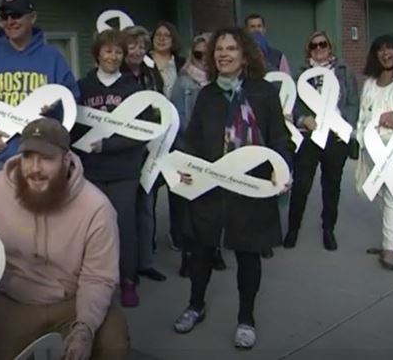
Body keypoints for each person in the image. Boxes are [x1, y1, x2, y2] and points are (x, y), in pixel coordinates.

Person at [0, 118, 128, 359]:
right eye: (28, 157)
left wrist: (84, 328)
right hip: (14, 301)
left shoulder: (97, 208)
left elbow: (98, 277)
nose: (34, 168)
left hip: (72, 302)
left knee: (112, 341)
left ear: (66, 160)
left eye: (46, 159)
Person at [171, 28, 291, 349]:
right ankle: (196, 305)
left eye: (231, 48)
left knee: (248, 256)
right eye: (219, 49)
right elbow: (193, 139)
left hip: (250, 186)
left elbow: (279, 137)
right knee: (201, 251)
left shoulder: (263, 92)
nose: (223, 54)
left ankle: (246, 319)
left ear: (244, 54)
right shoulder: (208, 94)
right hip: (210, 187)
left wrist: (282, 169)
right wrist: (186, 171)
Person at [0, 0, 80, 190]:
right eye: (4, 16)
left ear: (32, 17)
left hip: (39, 159)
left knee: (40, 218)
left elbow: (72, 102)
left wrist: (53, 113)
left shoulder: (53, 58)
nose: (10, 21)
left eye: (16, 15)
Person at [72, 30, 148, 308]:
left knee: (124, 226)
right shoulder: (82, 87)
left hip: (123, 172)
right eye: (108, 51)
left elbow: (143, 132)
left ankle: (128, 281)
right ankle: (93, 280)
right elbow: (72, 127)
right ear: (97, 54)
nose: (113, 56)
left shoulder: (133, 89)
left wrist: (109, 145)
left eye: (118, 52)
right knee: (91, 228)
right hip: (90, 170)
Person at [284, 31, 359, 251]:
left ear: (330, 47)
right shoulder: (301, 74)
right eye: (314, 46)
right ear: (309, 50)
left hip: (335, 138)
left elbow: (353, 102)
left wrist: (346, 127)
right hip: (310, 137)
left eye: (322, 44)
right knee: (301, 185)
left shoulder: (344, 73)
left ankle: (328, 229)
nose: (318, 49)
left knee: (331, 185)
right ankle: (293, 229)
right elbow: (294, 104)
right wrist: (302, 118)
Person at [171, 33, 226, 276]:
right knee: (190, 208)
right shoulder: (183, 82)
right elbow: (177, 118)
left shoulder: (221, 84)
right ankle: (188, 256)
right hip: (190, 149)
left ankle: (215, 251)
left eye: (208, 54)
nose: (203, 59)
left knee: (215, 206)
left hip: (217, 154)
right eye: (198, 54)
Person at [120, 25, 166, 281]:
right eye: (132, 46)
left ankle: (146, 261)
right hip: (125, 148)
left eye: (141, 46)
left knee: (146, 206)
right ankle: (127, 265)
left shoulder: (151, 73)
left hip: (152, 144)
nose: (137, 51)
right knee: (126, 209)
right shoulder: (119, 74)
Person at [355, 35, 393, 271]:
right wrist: (380, 119)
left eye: (390, 48)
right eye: (381, 50)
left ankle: (389, 249)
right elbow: (363, 116)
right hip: (373, 149)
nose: (386, 53)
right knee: (383, 195)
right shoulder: (371, 83)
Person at [150, 21, 185, 99]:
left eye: (167, 35)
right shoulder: (144, 61)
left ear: (173, 40)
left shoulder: (182, 63)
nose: (161, 39)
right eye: (158, 34)